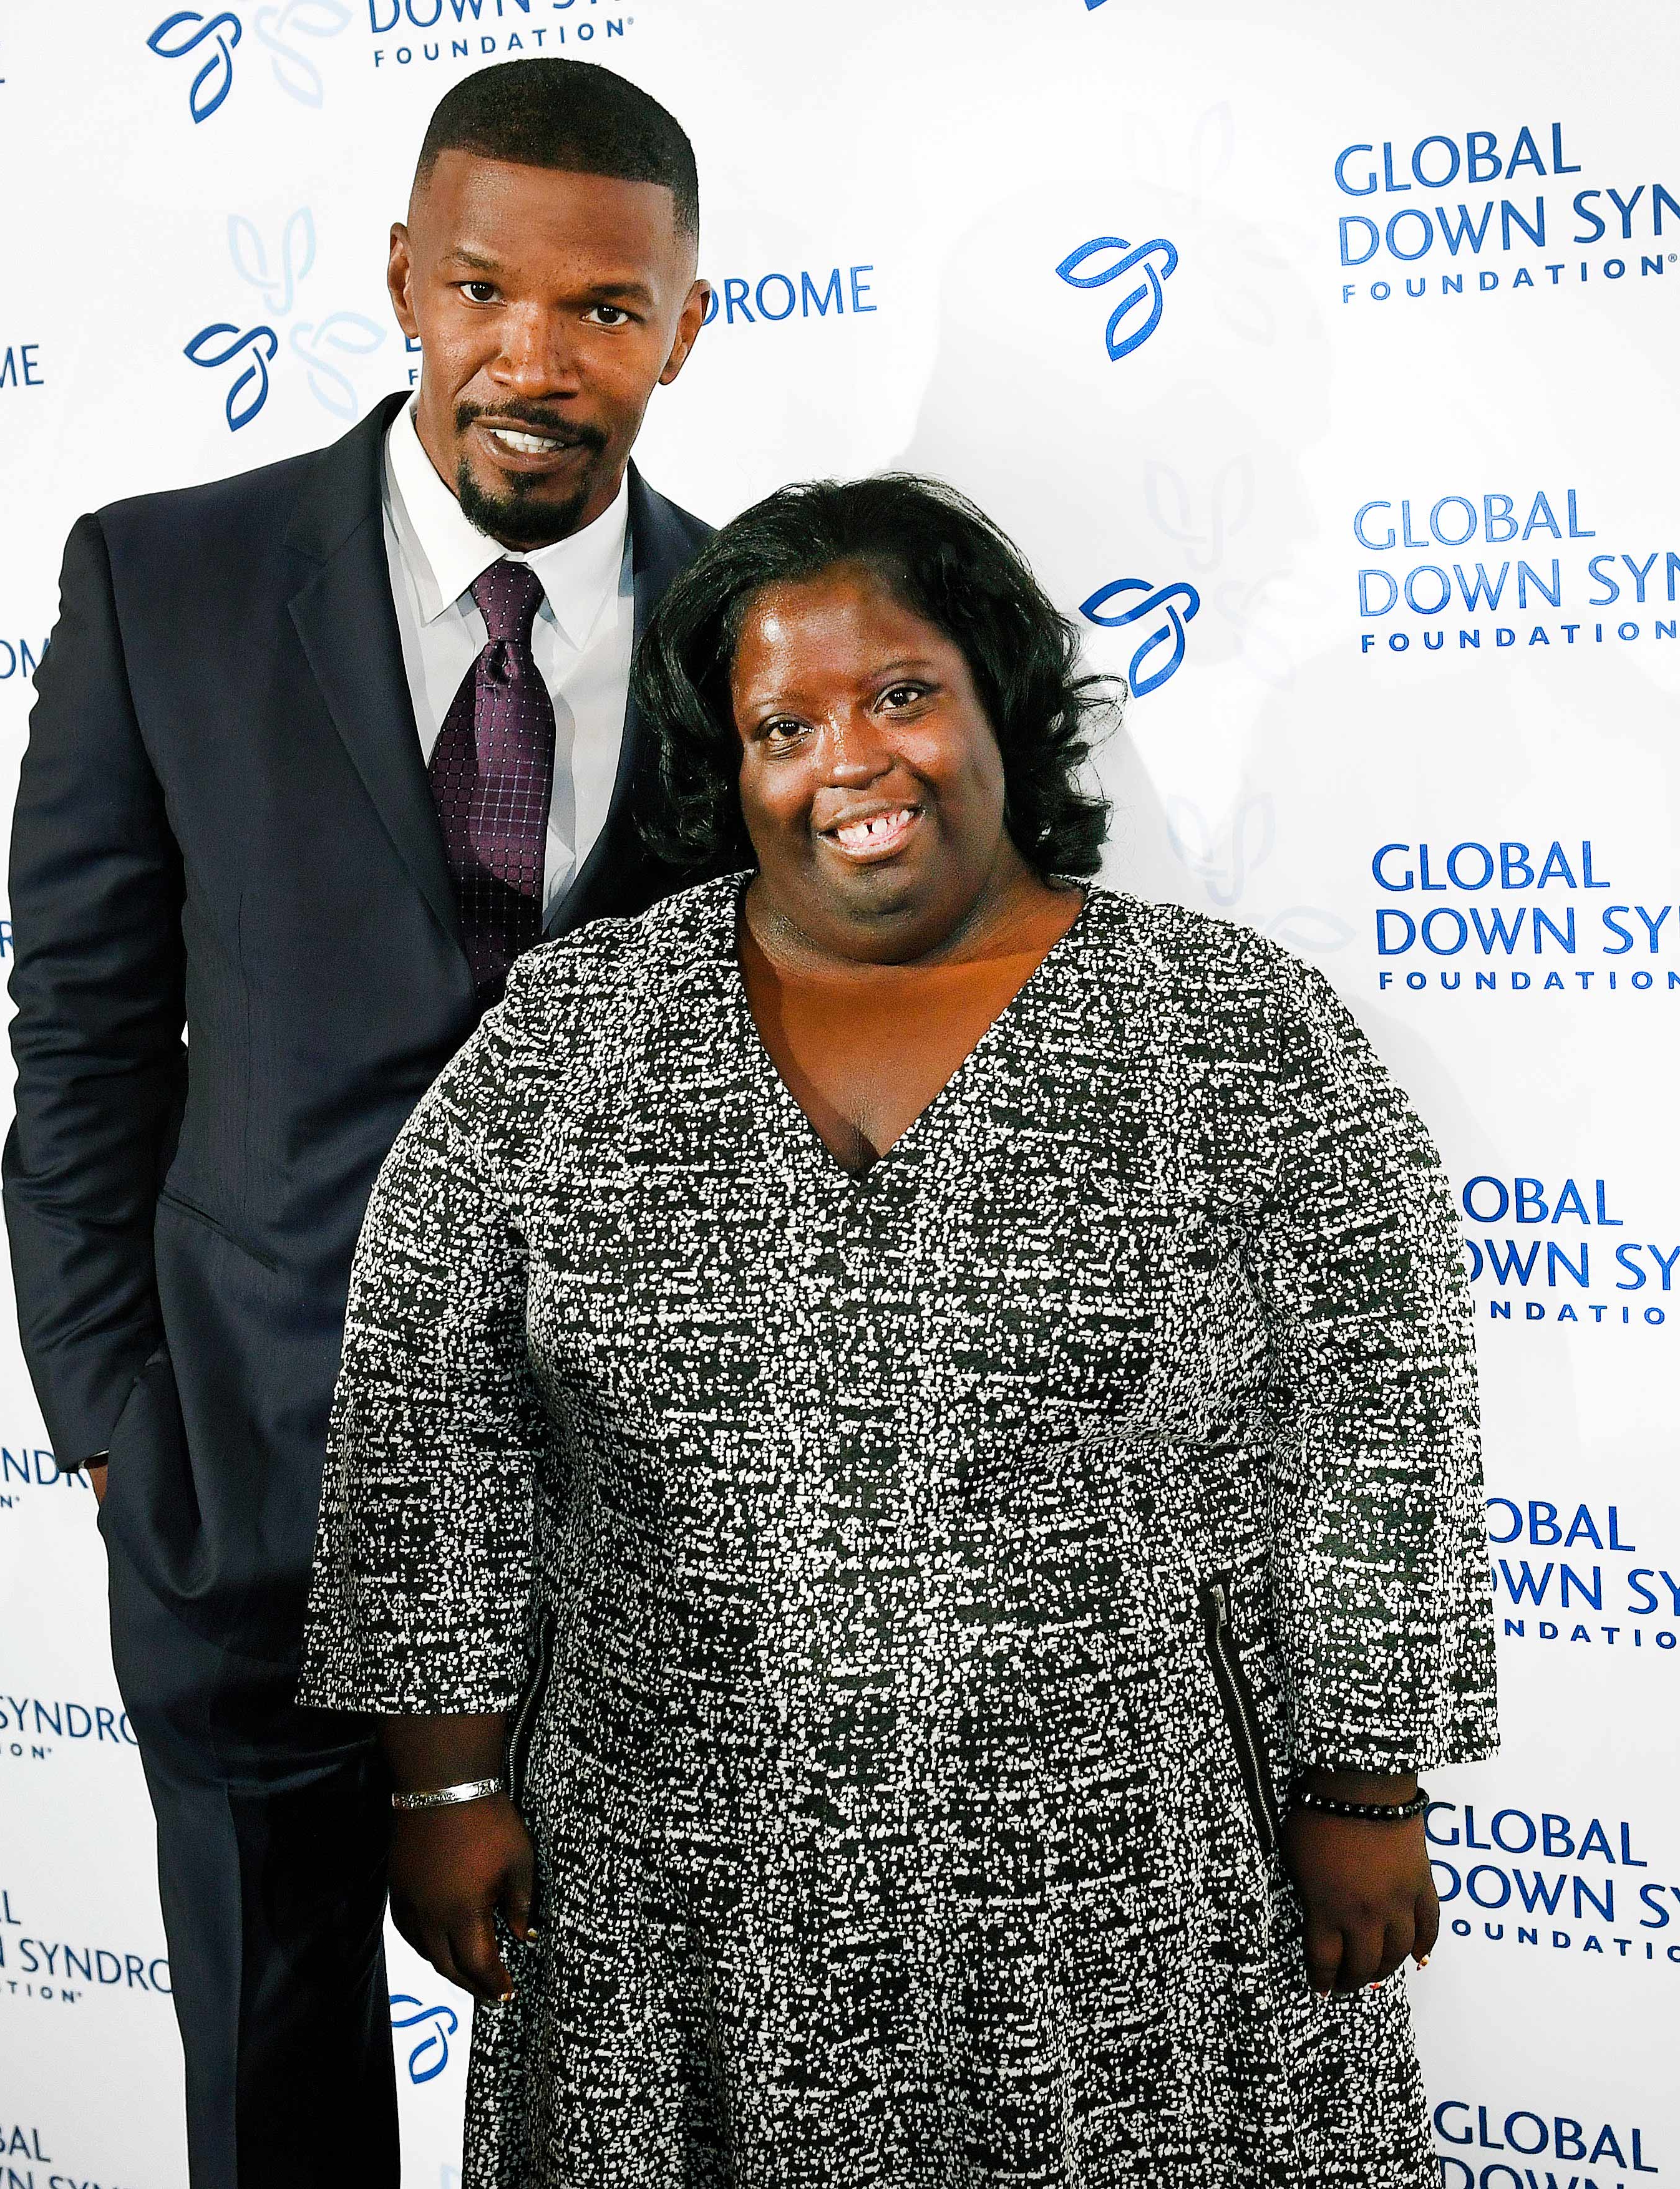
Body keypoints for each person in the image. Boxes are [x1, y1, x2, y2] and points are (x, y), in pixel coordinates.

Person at [299, 475, 1497, 2187]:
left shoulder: (1236, 1030)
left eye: (902, 695)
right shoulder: (572, 1036)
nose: (849, 761)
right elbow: (430, 1417)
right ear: (734, 769)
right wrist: (439, 1786)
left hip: (1137, 1891)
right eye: (783, 723)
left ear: (1001, 699)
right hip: (666, 1897)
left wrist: (1368, 1784)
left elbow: (1383, 1415)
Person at [2, 59, 712, 2189]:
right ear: (407, 278)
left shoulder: (761, 629)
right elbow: (87, 1041)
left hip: (642, 1533)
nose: (537, 352)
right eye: (486, 286)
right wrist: (121, 1418)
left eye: (606, 309)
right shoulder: (167, 585)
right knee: (276, 2072)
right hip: (246, 1493)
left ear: (686, 324)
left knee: (628, 2098)